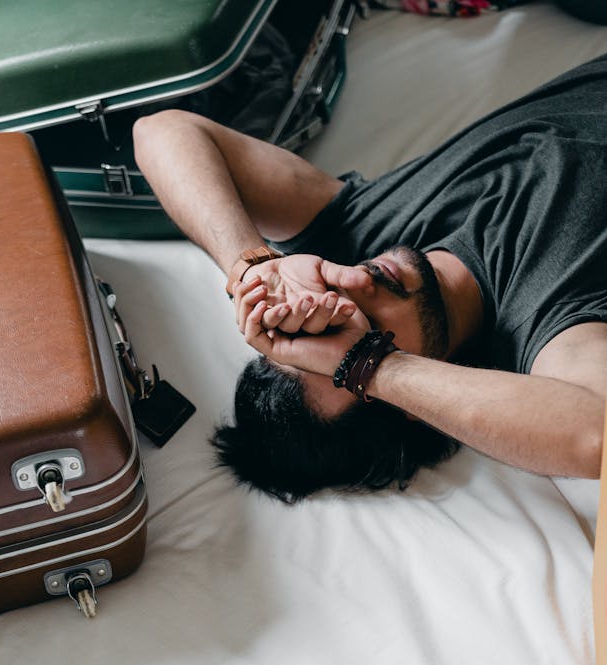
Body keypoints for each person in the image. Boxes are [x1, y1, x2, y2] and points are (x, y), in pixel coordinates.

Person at [132, 54, 607, 502]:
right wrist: (371, 365)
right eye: (349, 334)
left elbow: (162, 130)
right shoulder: (546, 318)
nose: (349, 290)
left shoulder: (363, 230)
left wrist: (251, 268)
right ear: (412, 405)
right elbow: (596, 433)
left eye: (314, 319)